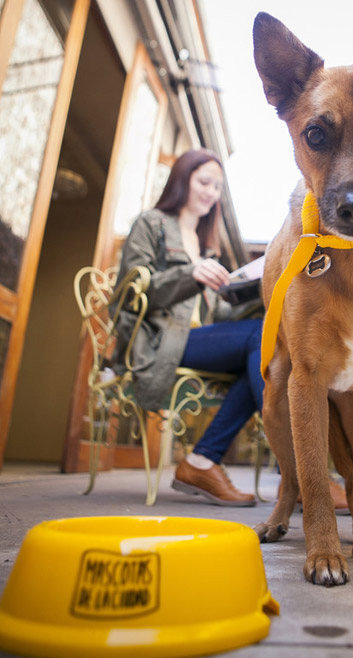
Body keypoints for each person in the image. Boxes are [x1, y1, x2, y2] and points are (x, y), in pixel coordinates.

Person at [113, 148, 262, 506]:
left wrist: (261, 292)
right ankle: (302, 470)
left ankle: (201, 460)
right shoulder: (151, 223)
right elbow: (132, 291)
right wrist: (188, 274)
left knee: (262, 346)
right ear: (182, 178)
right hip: (159, 339)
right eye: (204, 181)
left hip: (194, 339)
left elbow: (219, 320)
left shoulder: (207, 247)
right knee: (262, 338)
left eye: (217, 186)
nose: (211, 192)